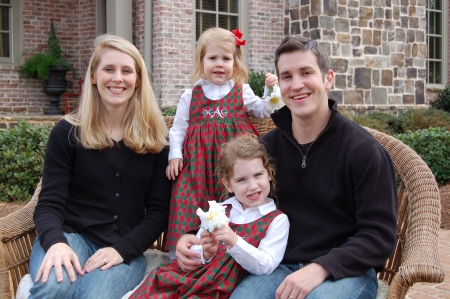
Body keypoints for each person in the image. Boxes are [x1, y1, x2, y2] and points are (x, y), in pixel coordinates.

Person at [175, 35, 398, 299]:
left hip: (344, 271)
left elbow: (379, 236)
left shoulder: (363, 151)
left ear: (328, 79)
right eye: (287, 76)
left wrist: (321, 268)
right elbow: (234, 203)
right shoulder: (265, 149)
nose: (297, 84)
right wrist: (194, 235)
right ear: (279, 84)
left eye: (306, 73)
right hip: (276, 265)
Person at [28, 34, 172, 299]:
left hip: (123, 248)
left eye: (126, 71)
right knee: (55, 286)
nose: (117, 78)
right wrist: (56, 243)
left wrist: (123, 249)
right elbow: (49, 203)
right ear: (93, 76)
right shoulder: (67, 133)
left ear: (138, 80)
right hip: (69, 237)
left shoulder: (156, 142)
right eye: (109, 69)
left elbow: (159, 212)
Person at [164, 27, 279, 255]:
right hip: (197, 167)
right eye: (213, 58)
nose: (219, 64)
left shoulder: (241, 91)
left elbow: (264, 110)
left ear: (235, 64)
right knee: (186, 198)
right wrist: (175, 155)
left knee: (234, 203)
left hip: (234, 166)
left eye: (226, 58)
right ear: (201, 61)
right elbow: (178, 129)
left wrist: (272, 89)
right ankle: (184, 251)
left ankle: (235, 249)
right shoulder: (191, 96)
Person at [130, 134, 289, 298]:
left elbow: (266, 265)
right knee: (157, 283)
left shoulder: (276, 220)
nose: (252, 186)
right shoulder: (220, 209)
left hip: (219, 286)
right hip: (195, 275)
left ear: (269, 174)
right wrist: (206, 252)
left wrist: (234, 241)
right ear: (229, 185)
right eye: (241, 180)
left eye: (258, 175)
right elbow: (197, 247)